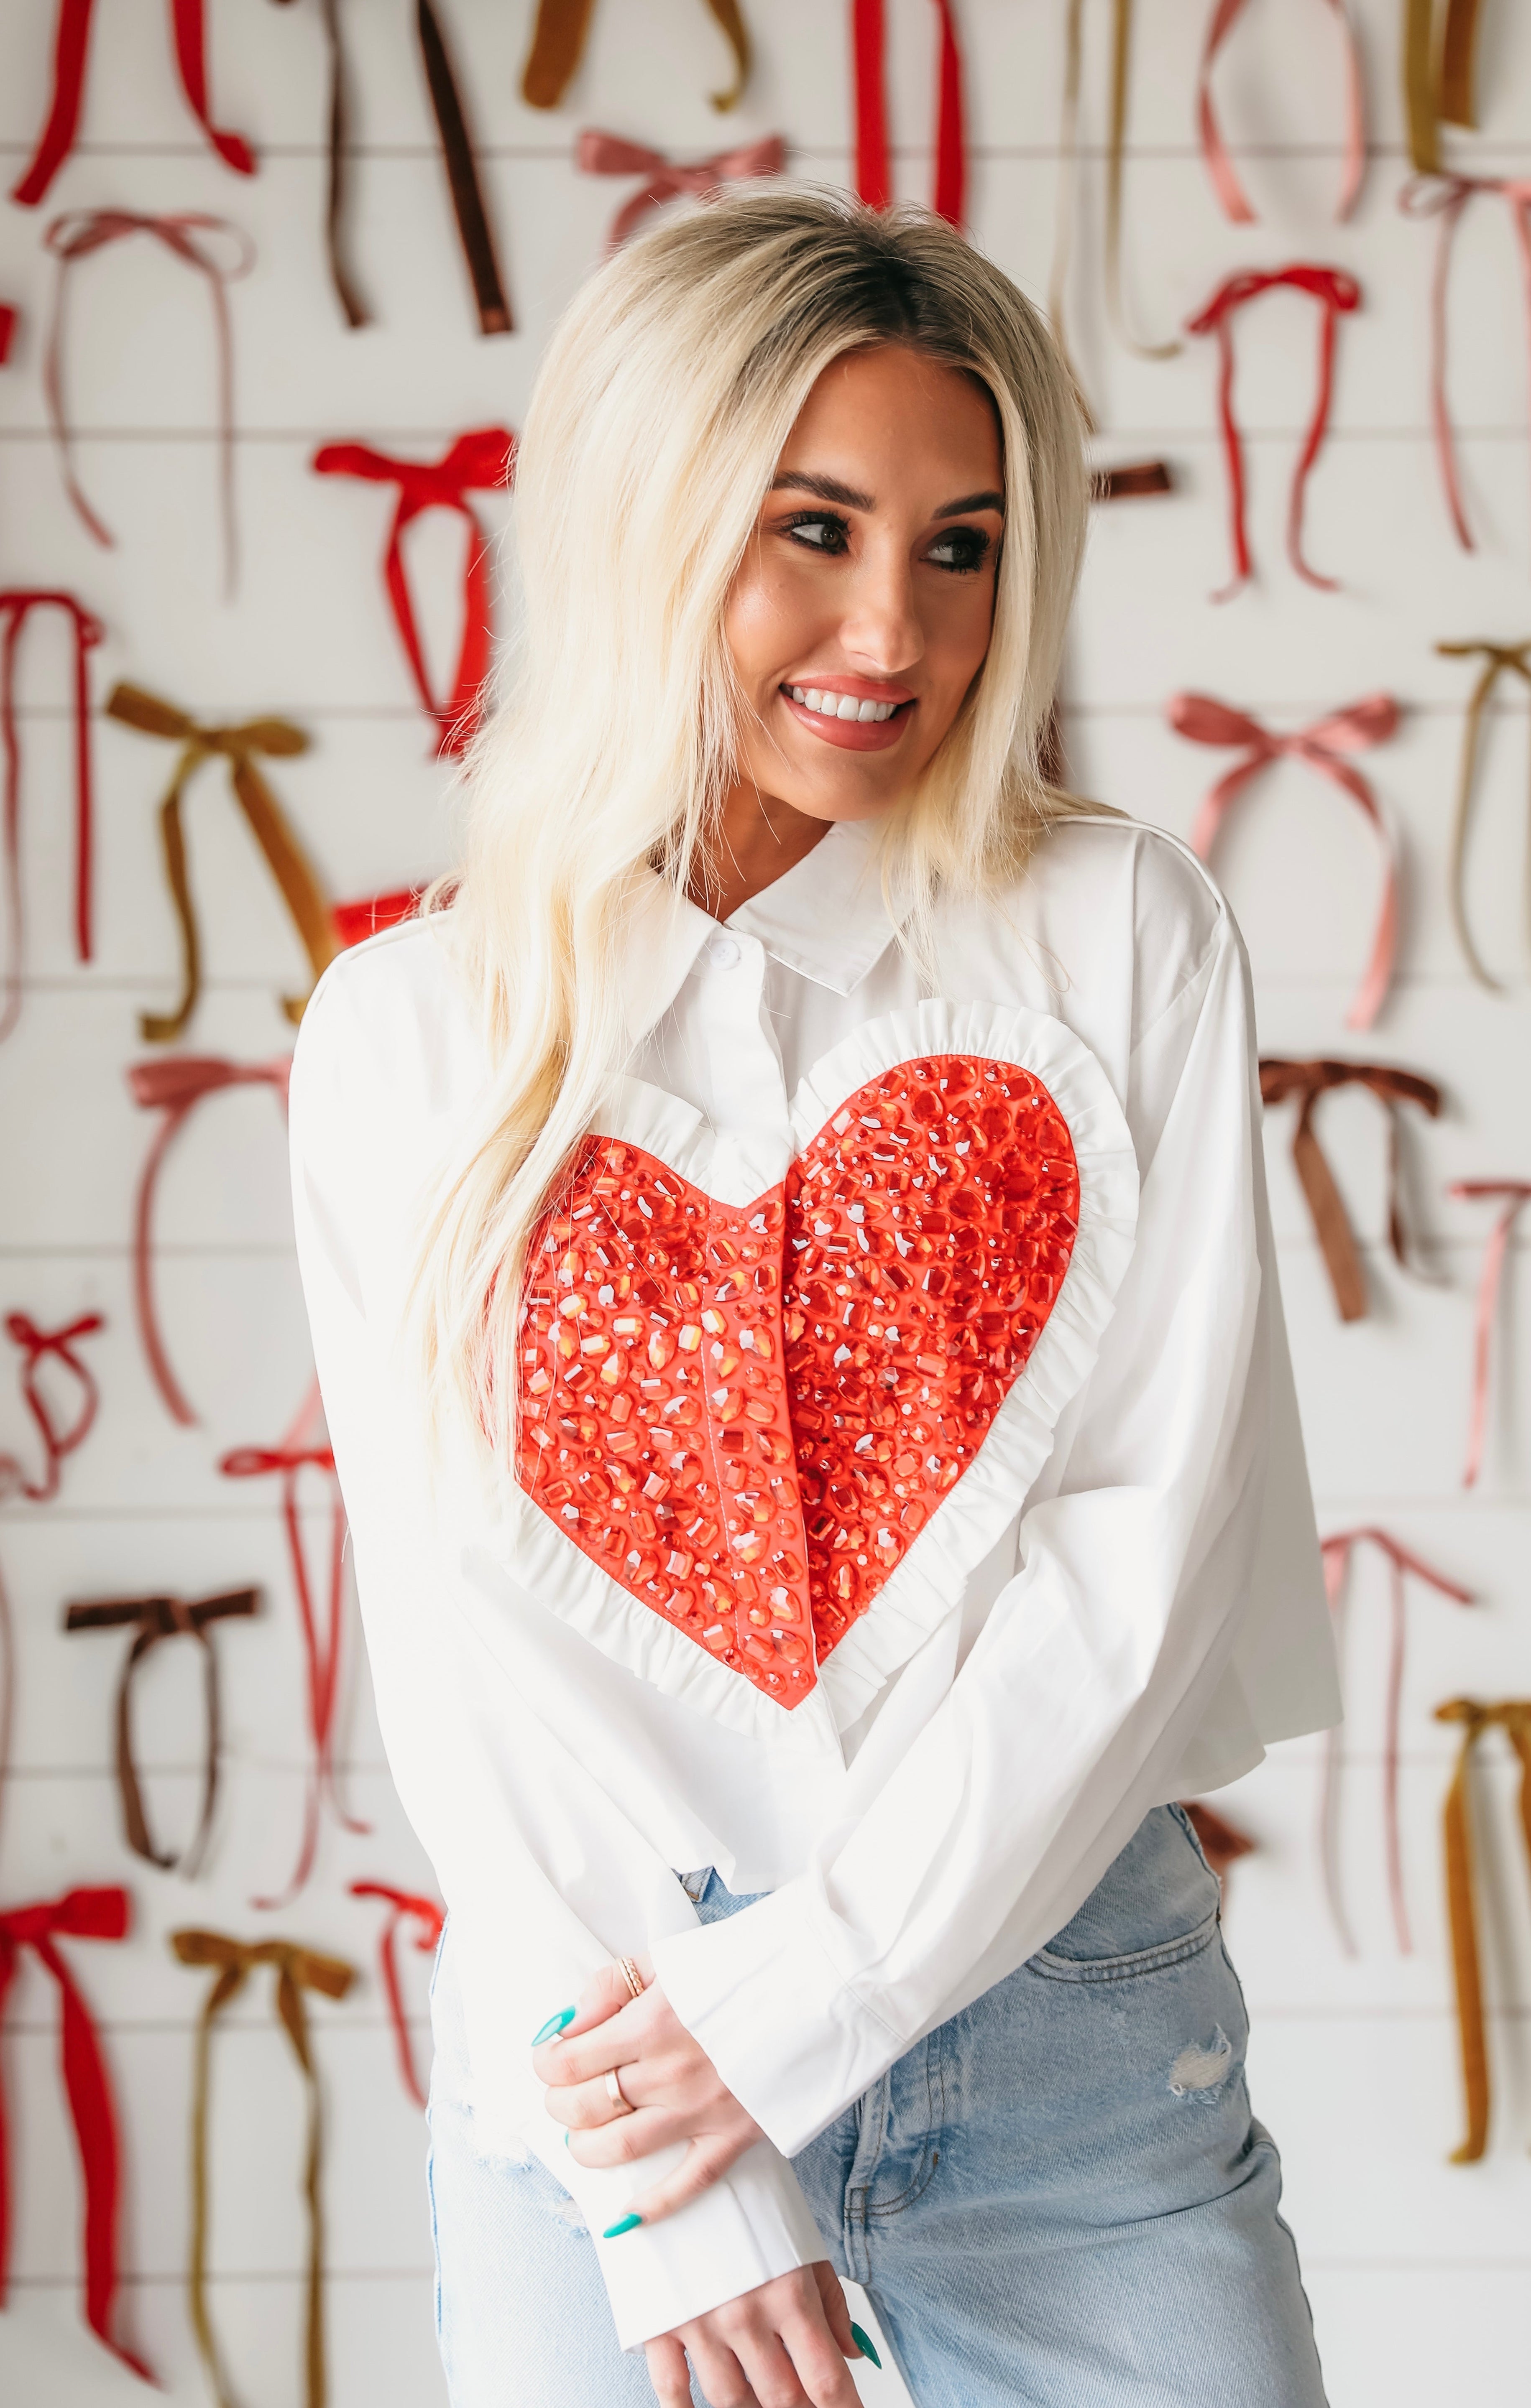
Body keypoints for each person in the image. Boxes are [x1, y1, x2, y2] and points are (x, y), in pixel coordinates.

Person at [290, 189, 1339, 2408]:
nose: (897, 629)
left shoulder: (1120, 933)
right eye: (814, 529)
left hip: (1065, 2044)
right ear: (644, 525)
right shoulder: (406, 1033)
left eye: (963, 546)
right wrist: (683, 2180)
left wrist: (805, 2006)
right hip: (602, 2082)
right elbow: (473, 1673)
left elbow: (1132, 1551)